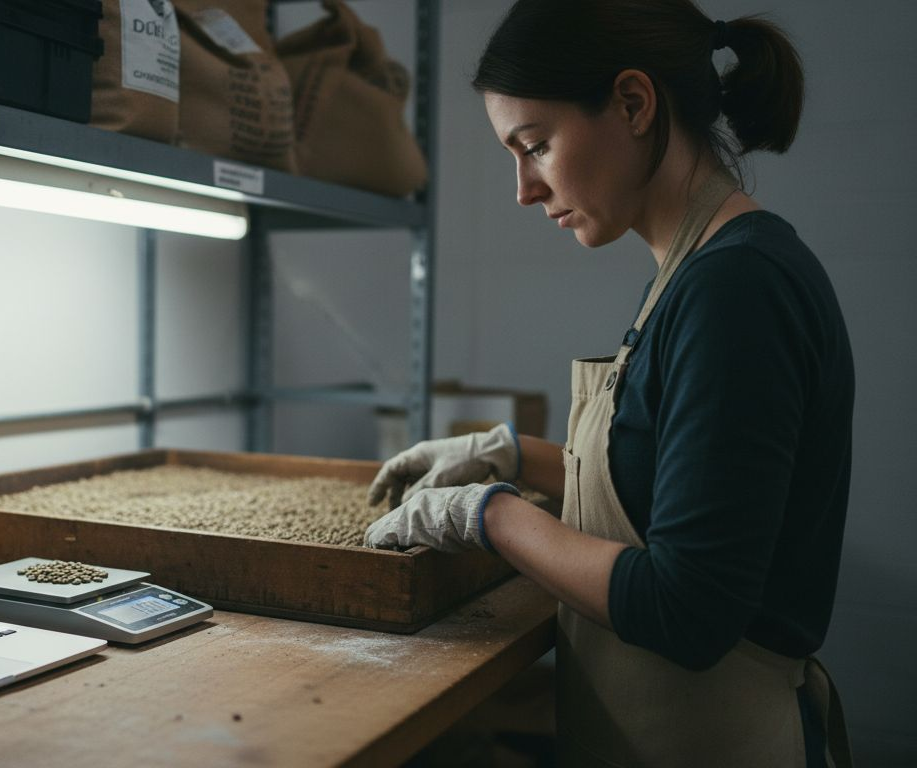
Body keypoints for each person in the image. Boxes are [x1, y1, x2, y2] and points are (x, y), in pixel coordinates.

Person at [362, 1, 854, 766]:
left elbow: (684, 606)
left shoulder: (737, 291)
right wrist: (511, 455)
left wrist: (488, 516)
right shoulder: (693, 275)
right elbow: (673, 488)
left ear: (633, 103)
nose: (524, 188)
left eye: (536, 146)